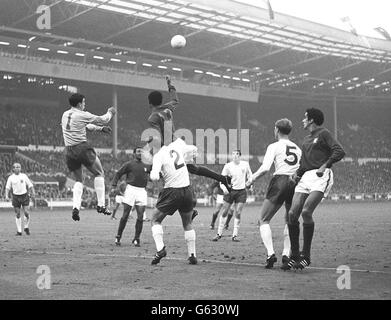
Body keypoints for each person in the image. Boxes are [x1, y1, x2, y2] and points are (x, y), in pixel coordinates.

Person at [144, 76, 232, 194]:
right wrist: (170, 86)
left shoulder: (152, 118)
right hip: (179, 143)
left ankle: (179, 199)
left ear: (150, 103)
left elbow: (157, 137)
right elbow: (175, 100)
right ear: (160, 101)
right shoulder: (168, 108)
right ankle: (222, 178)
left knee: (166, 172)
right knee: (193, 168)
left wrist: (153, 153)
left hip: (169, 148)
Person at [282, 108, 345, 271]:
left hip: (321, 176)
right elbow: (304, 163)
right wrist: (296, 174)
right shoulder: (305, 140)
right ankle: (294, 256)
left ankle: (306, 256)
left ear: (311, 120)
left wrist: (325, 165)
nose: (303, 120)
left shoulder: (324, 133)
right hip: (305, 178)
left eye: (305, 118)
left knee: (306, 212)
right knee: (291, 214)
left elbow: (339, 151)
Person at [246, 119, 302, 269]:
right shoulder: (297, 148)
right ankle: (286, 253)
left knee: (263, 219)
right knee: (290, 220)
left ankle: (271, 254)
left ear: (276, 129)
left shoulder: (274, 146)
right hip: (295, 183)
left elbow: (265, 168)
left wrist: (251, 179)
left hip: (280, 181)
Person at [61, 93, 115, 221]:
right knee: (99, 173)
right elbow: (104, 119)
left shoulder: (65, 115)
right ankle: (101, 205)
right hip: (82, 148)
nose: (85, 104)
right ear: (79, 103)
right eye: (84, 102)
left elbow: (85, 126)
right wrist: (110, 112)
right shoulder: (83, 114)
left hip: (69, 150)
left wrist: (100, 129)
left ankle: (75, 207)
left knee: (79, 180)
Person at [149, 137, 198, 265]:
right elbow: (193, 148)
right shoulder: (176, 147)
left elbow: (154, 177)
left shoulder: (158, 156)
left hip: (172, 191)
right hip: (187, 190)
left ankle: (160, 249)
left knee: (155, 220)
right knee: (187, 223)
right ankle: (192, 255)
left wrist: (156, 173)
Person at [111, 147, 151, 247]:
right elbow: (118, 173)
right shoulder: (129, 164)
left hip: (142, 191)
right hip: (131, 190)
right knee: (125, 215)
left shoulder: (148, 165)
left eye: (141, 151)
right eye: (138, 151)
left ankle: (136, 238)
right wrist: (114, 185)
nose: (140, 153)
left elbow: (155, 173)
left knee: (141, 216)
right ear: (134, 154)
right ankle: (118, 236)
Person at [212, 150, 252, 242]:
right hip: (230, 191)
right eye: (233, 154)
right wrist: (224, 189)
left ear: (240, 156)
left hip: (241, 192)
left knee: (238, 212)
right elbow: (221, 179)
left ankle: (234, 236)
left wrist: (250, 182)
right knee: (225, 211)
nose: (235, 156)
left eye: (237, 154)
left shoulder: (245, 164)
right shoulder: (228, 166)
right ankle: (219, 234)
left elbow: (250, 174)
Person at [5, 163, 35, 236]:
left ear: (20, 168)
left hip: (24, 196)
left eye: (19, 167)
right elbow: (7, 187)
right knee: (18, 214)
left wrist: (33, 192)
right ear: (13, 169)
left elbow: (30, 185)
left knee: (26, 213)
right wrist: (6, 196)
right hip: (15, 197)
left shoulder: (24, 176)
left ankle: (26, 227)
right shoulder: (11, 178)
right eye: (16, 167)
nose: (17, 168)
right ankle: (19, 231)